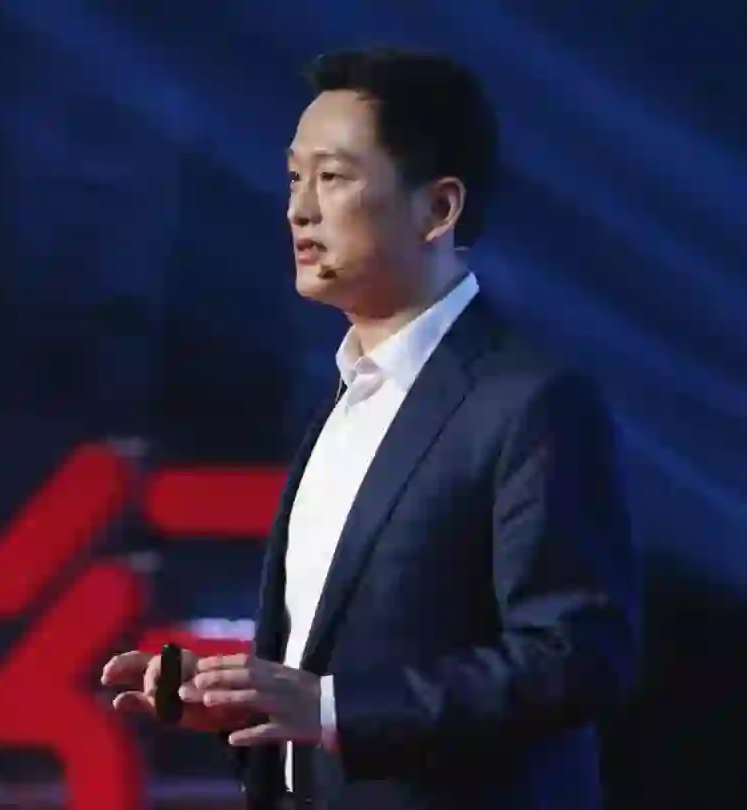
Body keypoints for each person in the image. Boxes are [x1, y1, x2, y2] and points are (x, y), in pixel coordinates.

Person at [101, 47, 638, 810]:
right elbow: (330, 672)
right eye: (294, 177)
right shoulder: (346, 400)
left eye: (333, 177)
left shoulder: (533, 402)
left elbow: (575, 659)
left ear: (438, 209)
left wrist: (328, 709)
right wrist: (243, 701)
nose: (299, 209)